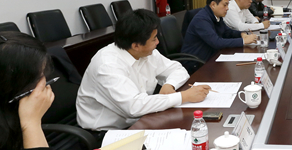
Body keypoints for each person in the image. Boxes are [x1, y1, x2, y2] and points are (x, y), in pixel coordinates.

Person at [76, 9, 210, 132]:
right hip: (107, 131)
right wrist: (183, 97)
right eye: (154, 39)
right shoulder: (107, 65)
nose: (158, 42)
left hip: (140, 119)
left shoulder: (146, 52)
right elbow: (134, 106)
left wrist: (169, 85)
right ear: (136, 45)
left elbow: (178, 69)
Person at [182, 0, 258, 66]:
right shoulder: (201, 20)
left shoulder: (216, 16)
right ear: (213, 5)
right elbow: (216, 42)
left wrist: (241, 34)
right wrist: (243, 41)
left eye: (228, 5)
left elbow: (227, 32)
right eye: (225, 5)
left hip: (211, 56)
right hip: (196, 63)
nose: (227, 8)